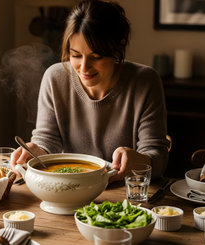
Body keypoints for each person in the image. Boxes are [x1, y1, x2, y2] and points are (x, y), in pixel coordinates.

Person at [10, 0, 169, 181]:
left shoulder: (145, 81)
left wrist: (141, 160)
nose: (84, 67)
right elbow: (47, 141)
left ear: (118, 48)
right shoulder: (55, 78)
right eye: (76, 55)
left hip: (123, 194)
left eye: (96, 57)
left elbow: (159, 160)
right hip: (70, 188)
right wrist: (36, 150)